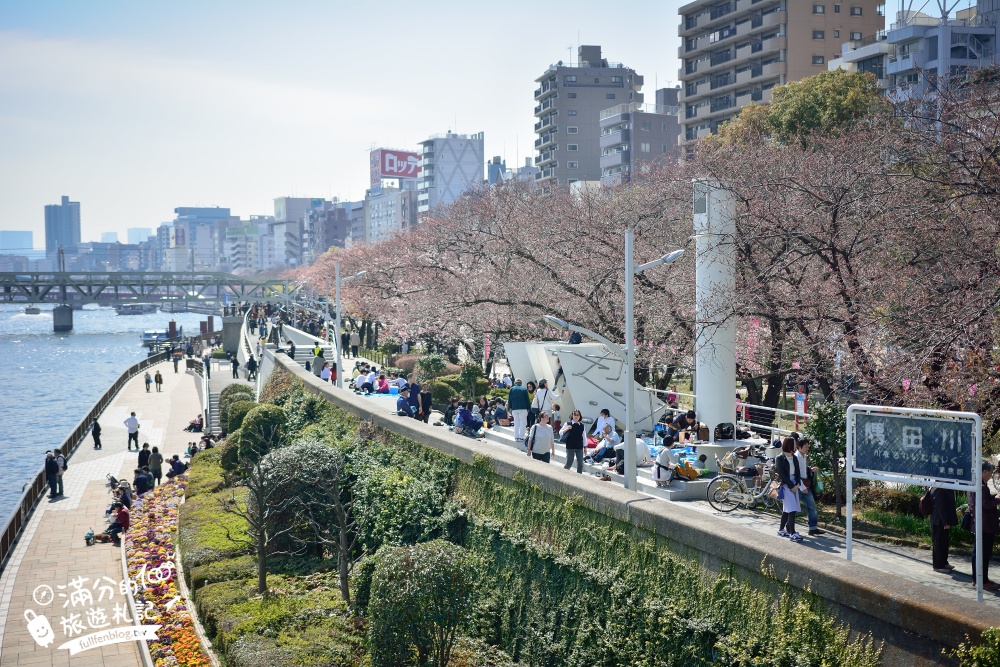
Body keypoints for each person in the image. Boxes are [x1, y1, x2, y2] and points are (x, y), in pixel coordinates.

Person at [970, 461, 1000, 590]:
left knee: (978, 553)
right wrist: (998, 498)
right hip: (985, 524)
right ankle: (982, 581)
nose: (991, 475)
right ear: (984, 471)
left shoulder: (975, 484)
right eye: (990, 472)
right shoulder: (981, 486)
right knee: (983, 553)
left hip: (980, 523)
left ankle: (979, 579)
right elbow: (985, 505)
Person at [775, 436, 804, 542]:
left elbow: (797, 472)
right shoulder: (780, 458)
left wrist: (797, 484)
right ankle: (792, 533)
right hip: (786, 485)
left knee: (787, 509)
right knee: (791, 509)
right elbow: (782, 474)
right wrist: (792, 486)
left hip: (794, 484)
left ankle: (781, 529)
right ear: (789, 445)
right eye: (794, 443)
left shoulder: (794, 457)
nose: (796, 445)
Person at [794, 438, 824, 536]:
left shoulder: (804, 456)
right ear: (799, 447)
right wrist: (802, 487)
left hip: (806, 484)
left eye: (808, 446)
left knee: (812, 507)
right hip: (799, 485)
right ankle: (788, 528)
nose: (807, 448)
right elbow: (795, 474)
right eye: (806, 446)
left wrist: (811, 469)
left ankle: (813, 528)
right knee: (793, 508)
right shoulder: (796, 457)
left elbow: (803, 470)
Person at [929, 485, 958, 573]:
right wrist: (945, 522)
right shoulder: (939, 488)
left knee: (944, 543)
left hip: (940, 520)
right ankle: (938, 565)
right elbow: (940, 506)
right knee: (939, 543)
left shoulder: (942, 486)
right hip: (939, 521)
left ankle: (944, 562)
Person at [559, 409, 586, 474]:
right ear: (572, 415)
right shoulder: (568, 423)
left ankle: (579, 477)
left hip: (579, 447)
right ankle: (563, 474)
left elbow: (584, 437)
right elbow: (560, 432)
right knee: (569, 462)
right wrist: (566, 429)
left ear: (580, 416)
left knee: (580, 464)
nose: (576, 416)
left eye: (577, 415)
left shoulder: (582, 425)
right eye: (574, 415)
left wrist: (585, 447)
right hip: (570, 446)